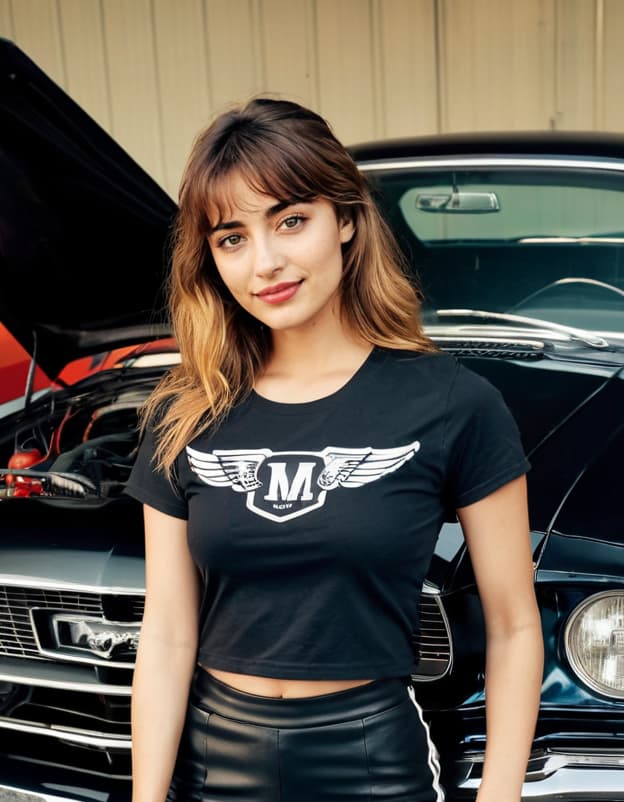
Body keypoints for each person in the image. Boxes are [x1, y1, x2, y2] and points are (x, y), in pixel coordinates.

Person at [125, 97, 544, 802]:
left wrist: (500, 795)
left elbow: (513, 625)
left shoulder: (452, 404)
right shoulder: (184, 412)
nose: (266, 262)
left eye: (291, 221)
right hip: (213, 765)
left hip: (371, 759)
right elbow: (166, 634)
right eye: (232, 238)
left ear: (346, 219)